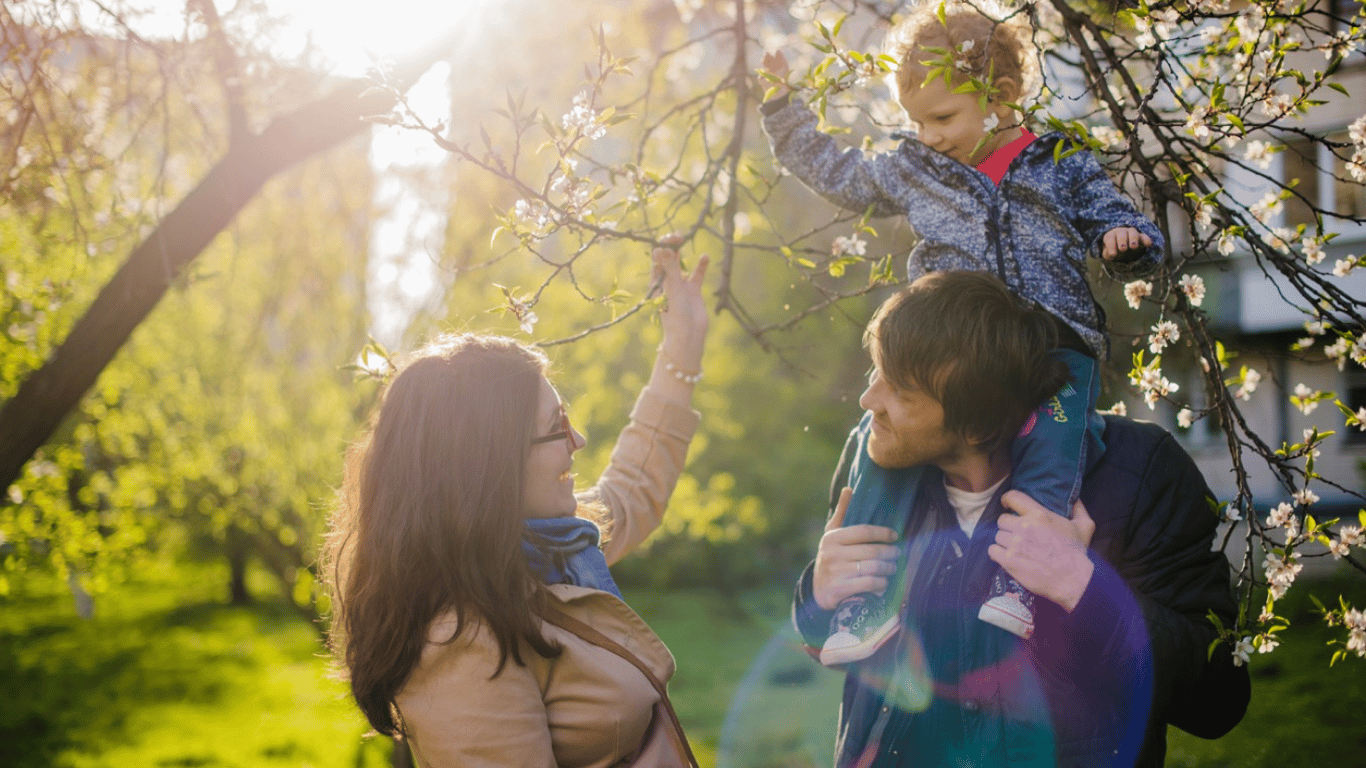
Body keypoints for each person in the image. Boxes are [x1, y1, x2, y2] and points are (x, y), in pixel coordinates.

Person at [762, 0, 1167, 665]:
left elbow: (1113, 217)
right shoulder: (916, 166)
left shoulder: (1058, 160)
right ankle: (864, 605)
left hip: (1051, 340)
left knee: (1053, 451)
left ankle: (1022, 582)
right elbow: (840, 176)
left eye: (943, 118)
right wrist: (782, 109)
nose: (930, 136)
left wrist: (1130, 244)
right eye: (917, 121)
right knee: (883, 447)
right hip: (949, 346)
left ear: (1002, 97)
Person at [792, 270, 1250, 767]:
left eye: (900, 390)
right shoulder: (876, 467)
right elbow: (829, 648)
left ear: (978, 423)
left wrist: (1084, 587)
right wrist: (816, 597)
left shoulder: (1138, 473)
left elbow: (1217, 700)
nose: (868, 402)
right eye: (874, 372)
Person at [322, 240, 709, 768]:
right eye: (556, 429)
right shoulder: (462, 644)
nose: (578, 442)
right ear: (491, 466)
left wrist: (682, 351)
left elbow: (631, 490)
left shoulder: (549, 554)